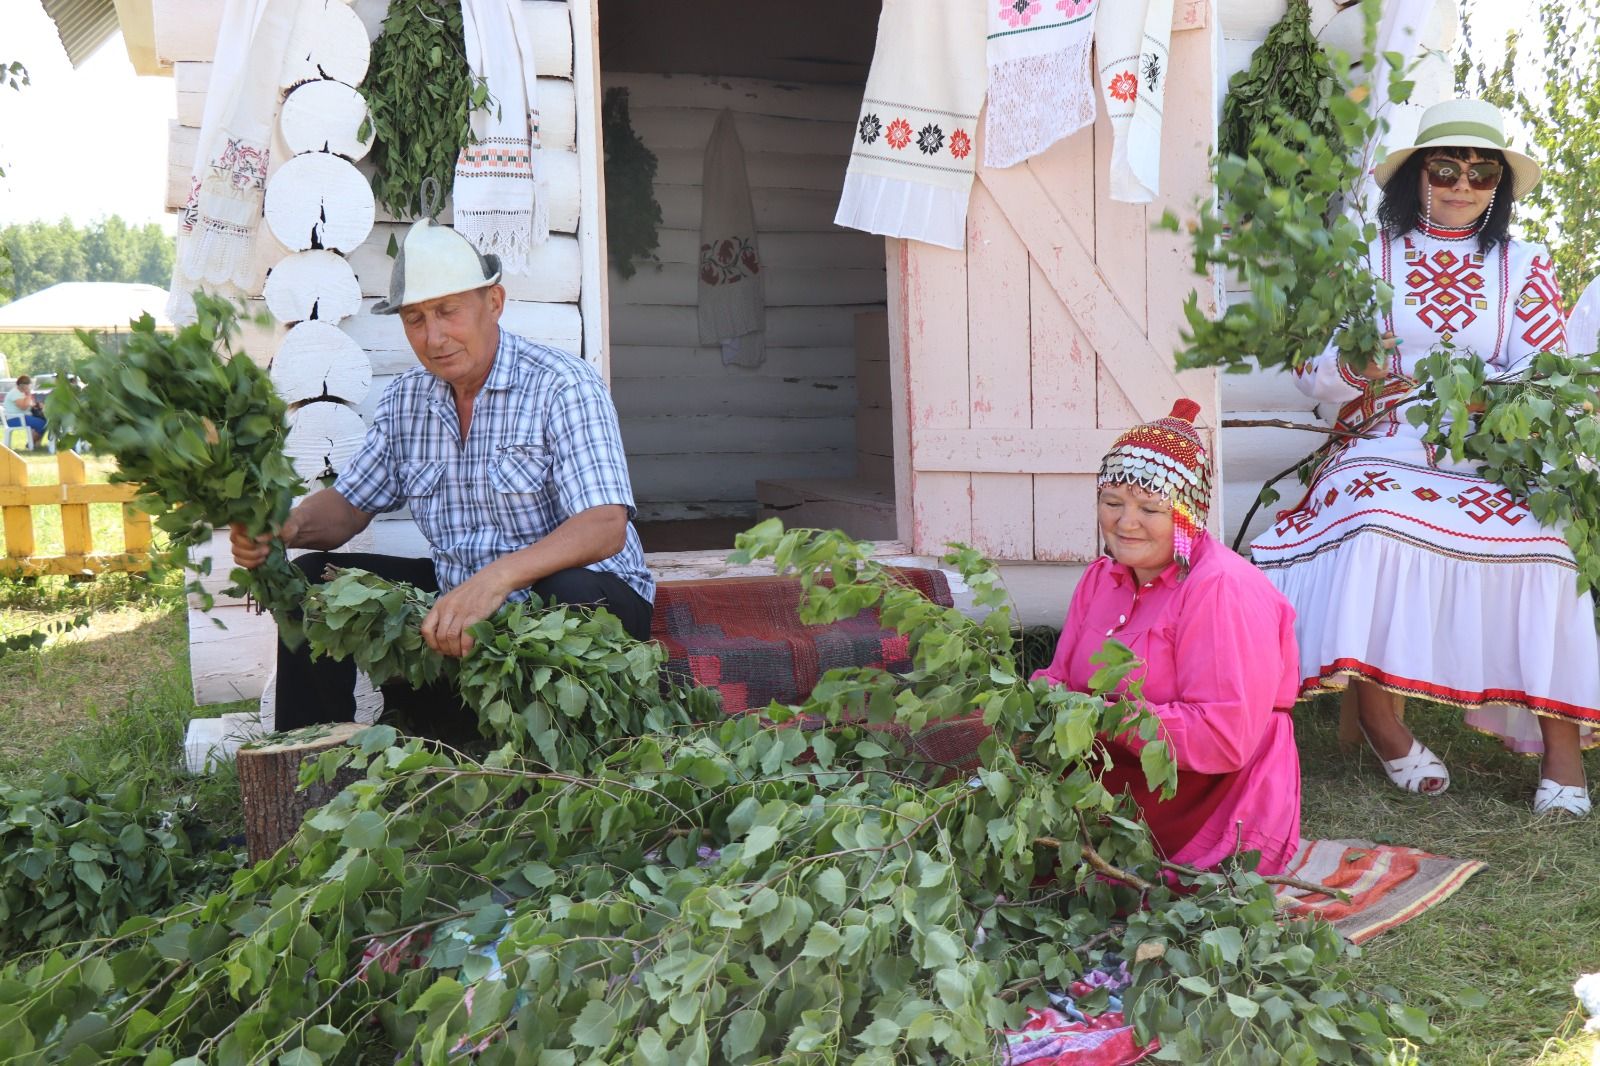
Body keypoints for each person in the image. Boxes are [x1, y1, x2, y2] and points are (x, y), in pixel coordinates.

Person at [1250, 98, 1598, 816]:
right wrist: (1357, 370)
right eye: (1447, 168)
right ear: (1415, 175)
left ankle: (1562, 750)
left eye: (1483, 172)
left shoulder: (1525, 269)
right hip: (1385, 434)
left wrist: (1492, 402)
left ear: (1499, 185)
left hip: (1490, 447)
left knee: (1548, 545)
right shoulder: (1364, 258)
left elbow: (1550, 372)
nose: (1463, 185)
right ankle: (1382, 723)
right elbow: (1310, 368)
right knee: (1377, 521)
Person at [232, 218, 655, 732]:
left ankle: (559, 749)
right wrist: (287, 527)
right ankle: (311, 758)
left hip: (580, 601)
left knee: (569, 590)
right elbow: (347, 507)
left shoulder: (562, 385)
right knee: (313, 580)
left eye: (448, 312)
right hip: (461, 604)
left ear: (493, 303)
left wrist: (496, 581)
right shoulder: (407, 399)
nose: (433, 337)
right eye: (414, 319)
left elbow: (604, 525)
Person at [1033, 399, 1303, 875]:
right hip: (1116, 774)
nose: (1125, 522)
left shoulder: (1219, 589)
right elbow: (1061, 676)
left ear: (1187, 517)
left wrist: (1105, 716)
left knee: (1126, 889)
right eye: (1112, 502)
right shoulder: (1102, 578)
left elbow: (1224, 737)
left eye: (1150, 508)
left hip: (1213, 794)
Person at [4, 374, 48, 450]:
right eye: (28, 385)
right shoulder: (14, 393)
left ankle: (35, 444)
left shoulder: (22, 393)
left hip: (25, 417)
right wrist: (28, 395)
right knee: (43, 424)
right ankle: (30, 444)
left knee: (46, 421)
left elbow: (28, 404)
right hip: (15, 419)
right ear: (22, 385)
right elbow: (23, 407)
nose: (29, 387)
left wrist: (36, 405)